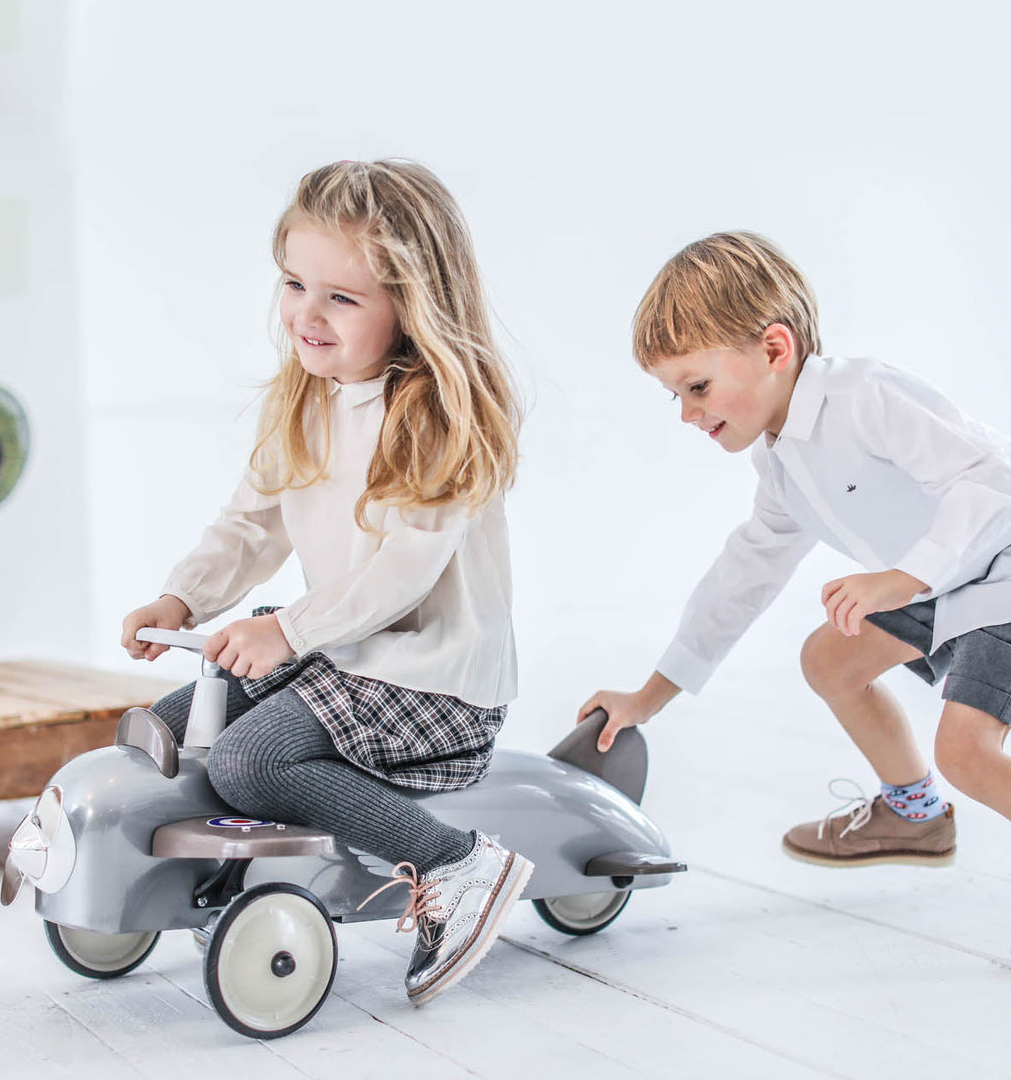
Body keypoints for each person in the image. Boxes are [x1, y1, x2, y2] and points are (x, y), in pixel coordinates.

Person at [122, 159, 532, 1005]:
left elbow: (402, 576)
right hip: (343, 649)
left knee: (246, 758)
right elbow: (251, 522)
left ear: (411, 309)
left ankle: (460, 866)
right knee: (172, 724)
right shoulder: (307, 397)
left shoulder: (434, 416)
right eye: (294, 283)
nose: (306, 314)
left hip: (429, 673)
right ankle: (206, 879)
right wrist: (183, 598)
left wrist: (287, 633)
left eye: (340, 298)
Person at [579, 231, 1011, 866]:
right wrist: (648, 696)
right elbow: (742, 578)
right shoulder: (782, 463)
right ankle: (914, 815)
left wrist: (902, 577)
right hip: (949, 584)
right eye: (676, 395)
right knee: (831, 660)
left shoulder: (865, 395)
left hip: (999, 566)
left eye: (696, 386)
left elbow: (990, 479)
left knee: (966, 752)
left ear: (775, 349)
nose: (686, 413)